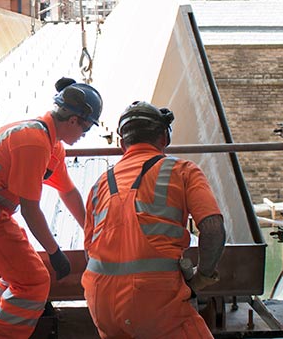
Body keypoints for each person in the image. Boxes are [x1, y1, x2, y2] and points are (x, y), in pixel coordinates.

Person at [0, 77, 102, 339]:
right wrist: (55, 253)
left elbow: (68, 191)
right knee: (34, 282)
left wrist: (93, 232)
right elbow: (31, 210)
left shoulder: (50, 146)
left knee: (16, 274)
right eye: (85, 129)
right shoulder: (33, 142)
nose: (83, 136)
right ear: (74, 120)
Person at [81, 101, 227, 339]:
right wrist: (202, 277)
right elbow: (212, 228)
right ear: (164, 139)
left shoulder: (99, 184)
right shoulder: (183, 170)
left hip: (100, 299)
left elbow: (89, 250)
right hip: (154, 298)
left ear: (122, 144)